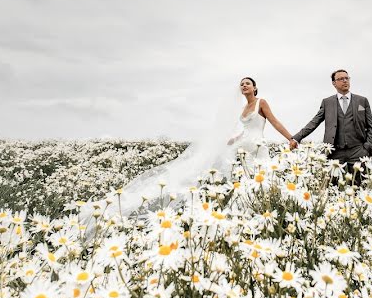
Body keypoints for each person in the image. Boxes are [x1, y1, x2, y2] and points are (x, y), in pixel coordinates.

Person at [78, 76, 295, 230]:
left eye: (247, 83)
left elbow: (273, 122)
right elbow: (246, 130)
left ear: (255, 88)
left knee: (264, 179)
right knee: (242, 181)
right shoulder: (242, 110)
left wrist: (290, 138)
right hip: (243, 148)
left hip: (258, 149)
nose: (243, 86)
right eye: (241, 84)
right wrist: (234, 139)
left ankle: (267, 215)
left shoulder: (261, 103)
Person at [289, 69, 372, 186]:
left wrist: (367, 147)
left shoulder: (362, 101)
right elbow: (314, 122)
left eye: (347, 78)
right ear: (334, 83)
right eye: (341, 79)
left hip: (357, 151)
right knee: (332, 187)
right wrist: (296, 138)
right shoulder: (327, 102)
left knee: (358, 187)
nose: (345, 81)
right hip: (335, 152)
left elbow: (370, 127)